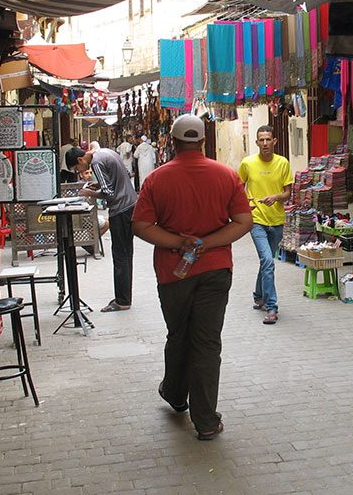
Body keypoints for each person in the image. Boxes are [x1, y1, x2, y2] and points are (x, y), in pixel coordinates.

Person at [132, 114, 252, 440]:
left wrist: (179, 243)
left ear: (172, 141)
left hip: (173, 274)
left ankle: (174, 393)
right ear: (202, 141)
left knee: (179, 334)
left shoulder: (156, 179)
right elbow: (243, 221)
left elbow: (140, 225)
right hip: (214, 270)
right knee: (207, 343)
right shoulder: (226, 176)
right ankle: (206, 421)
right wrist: (206, 244)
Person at [66, 144, 137, 312]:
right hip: (130, 205)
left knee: (120, 255)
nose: (80, 171)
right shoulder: (106, 152)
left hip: (120, 209)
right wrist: (97, 186)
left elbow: (109, 193)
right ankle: (124, 296)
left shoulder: (96, 162)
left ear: (80, 159)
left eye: (78, 168)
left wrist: (89, 193)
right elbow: (120, 177)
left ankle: (122, 300)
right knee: (126, 253)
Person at [238, 125, 294, 325]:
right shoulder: (247, 163)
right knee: (269, 262)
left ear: (274, 141)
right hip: (257, 221)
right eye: (261, 140)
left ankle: (258, 295)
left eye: (268, 139)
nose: (264, 143)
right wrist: (245, 203)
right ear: (256, 142)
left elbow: (288, 193)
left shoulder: (283, 163)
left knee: (266, 261)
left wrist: (276, 197)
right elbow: (237, 187)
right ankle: (271, 307)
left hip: (277, 221)